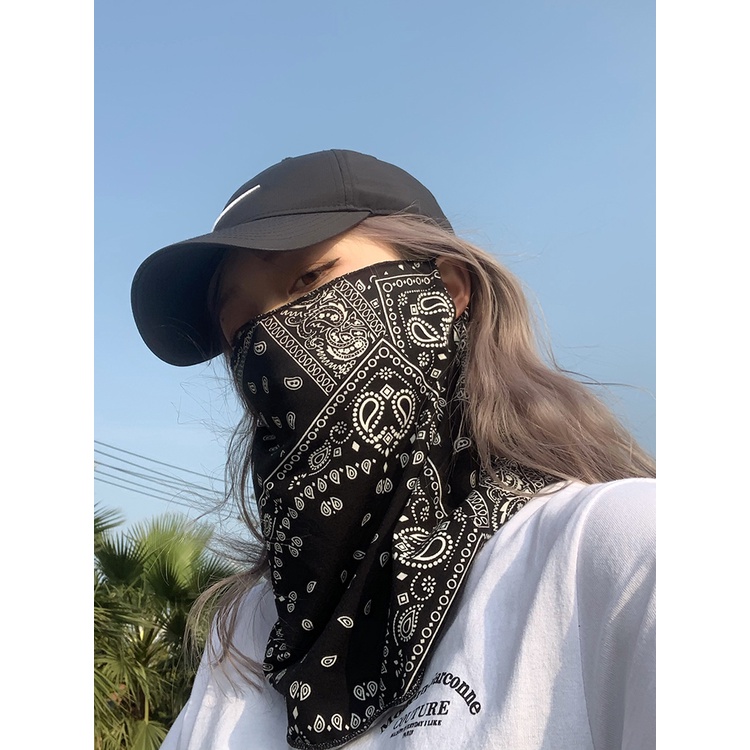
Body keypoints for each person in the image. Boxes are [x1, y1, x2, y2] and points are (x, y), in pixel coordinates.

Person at [131, 149, 656, 750]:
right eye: (240, 331)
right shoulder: (250, 631)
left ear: (447, 290)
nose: (272, 344)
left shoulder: (615, 551)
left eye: (309, 279)